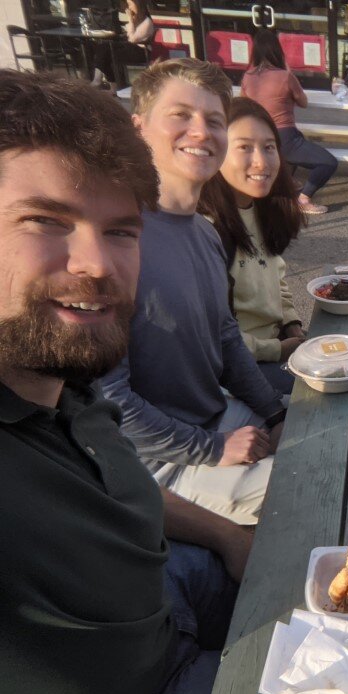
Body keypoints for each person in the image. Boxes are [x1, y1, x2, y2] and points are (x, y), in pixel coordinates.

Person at [0, 69, 249, 694]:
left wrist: (226, 537)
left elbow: (117, 485)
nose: (97, 264)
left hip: (174, 588)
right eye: (45, 221)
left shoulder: (68, 387)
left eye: (120, 230)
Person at [101, 58, 287, 526]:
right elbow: (109, 403)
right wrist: (213, 447)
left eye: (214, 120)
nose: (201, 132)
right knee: (307, 489)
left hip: (218, 416)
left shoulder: (203, 232)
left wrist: (272, 411)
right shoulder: (114, 240)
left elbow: (225, 336)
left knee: (328, 432)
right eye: (181, 115)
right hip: (161, 462)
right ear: (138, 128)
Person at [198, 97, 307, 395]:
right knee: (327, 399)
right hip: (236, 368)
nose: (261, 161)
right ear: (217, 151)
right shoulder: (208, 229)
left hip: (276, 347)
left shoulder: (262, 208)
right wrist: (278, 349)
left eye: (269, 147)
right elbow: (212, 333)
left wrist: (292, 324)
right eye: (244, 147)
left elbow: (277, 277)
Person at [241, 29, 338, 215]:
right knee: (328, 162)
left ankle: (284, 190)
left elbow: (244, 105)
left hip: (259, 136)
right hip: (285, 137)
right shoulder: (285, 76)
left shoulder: (248, 77)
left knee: (292, 152)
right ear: (278, 51)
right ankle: (304, 198)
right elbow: (303, 102)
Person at [91, 0, 154, 93]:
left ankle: (111, 85)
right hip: (131, 48)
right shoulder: (136, 19)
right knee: (103, 47)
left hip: (141, 51)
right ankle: (98, 80)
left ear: (138, 5)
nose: (128, 8)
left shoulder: (147, 22)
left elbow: (132, 39)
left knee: (110, 53)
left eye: (130, 5)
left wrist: (130, 20)